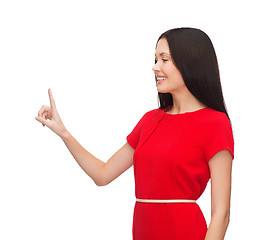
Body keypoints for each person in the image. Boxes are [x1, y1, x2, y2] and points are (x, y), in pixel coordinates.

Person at [35, 27, 235, 240]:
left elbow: (221, 214)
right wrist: (63, 132)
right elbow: (102, 174)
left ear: (190, 62)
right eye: (155, 59)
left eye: (164, 59)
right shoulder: (150, 120)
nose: (155, 67)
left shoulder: (215, 123)